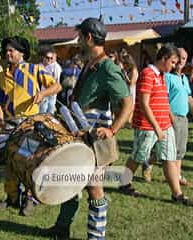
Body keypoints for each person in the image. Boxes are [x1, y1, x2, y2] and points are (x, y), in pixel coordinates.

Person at [43, 17, 133, 240]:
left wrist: (112, 130)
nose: (78, 41)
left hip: (94, 140)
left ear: (89, 38)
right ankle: (62, 228)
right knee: (69, 182)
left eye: (80, 37)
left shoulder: (108, 68)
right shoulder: (89, 64)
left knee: (94, 188)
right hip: (78, 135)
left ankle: (96, 236)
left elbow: (128, 103)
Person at [119, 45, 193, 207]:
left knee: (170, 157)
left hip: (165, 126)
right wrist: (156, 127)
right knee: (138, 157)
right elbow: (144, 103)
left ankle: (177, 195)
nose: (175, 66)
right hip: (148, 127)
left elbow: (161, 102)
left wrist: (167, 122)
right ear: (164, 59)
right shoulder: (148, 74)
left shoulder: (162, 75)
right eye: (173, 62)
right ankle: (123, 182)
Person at [0, 36, 61, 216]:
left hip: (30, 125)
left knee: (29, 161)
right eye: (6, 50)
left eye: (11, 50)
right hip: (9, 125)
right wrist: (0, 117)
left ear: (21, 52)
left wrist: (43, 93)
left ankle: (31, 198)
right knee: (9, 163)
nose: (8, 53)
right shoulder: (2, 75)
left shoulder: (35, 69)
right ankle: (12, 197)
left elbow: (57, 86)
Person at [141, 48, 193, 186]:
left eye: (183, 59)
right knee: (167, 150)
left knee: (180, 150)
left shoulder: (184, 78)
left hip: (183, 118)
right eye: (178, 58)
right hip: (170, 117)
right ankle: (149, 163)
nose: (180, 61)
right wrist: (170, 117)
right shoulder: (167, 76)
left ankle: (177, 176)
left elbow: (190, 98)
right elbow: (164, 99)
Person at [39, 49, 62, 114]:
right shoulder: (39, 66)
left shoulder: (55, 66)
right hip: (42, 92)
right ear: (43, 57)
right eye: (47, 57)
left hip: (52, 92)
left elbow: (57, 80)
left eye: (51, 58)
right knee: (43, 110)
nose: (49, 59)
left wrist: (54, 90)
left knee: (50, 110)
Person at [120, 54, 138, 125]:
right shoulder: (129, 70)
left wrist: (125, 75)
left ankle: (129, 121)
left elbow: (132, 83)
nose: (125, 66)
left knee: (131, 106)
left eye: (126, 64)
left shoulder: (134, 70)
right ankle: (128, 121)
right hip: (127, 89)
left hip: (131, 90)